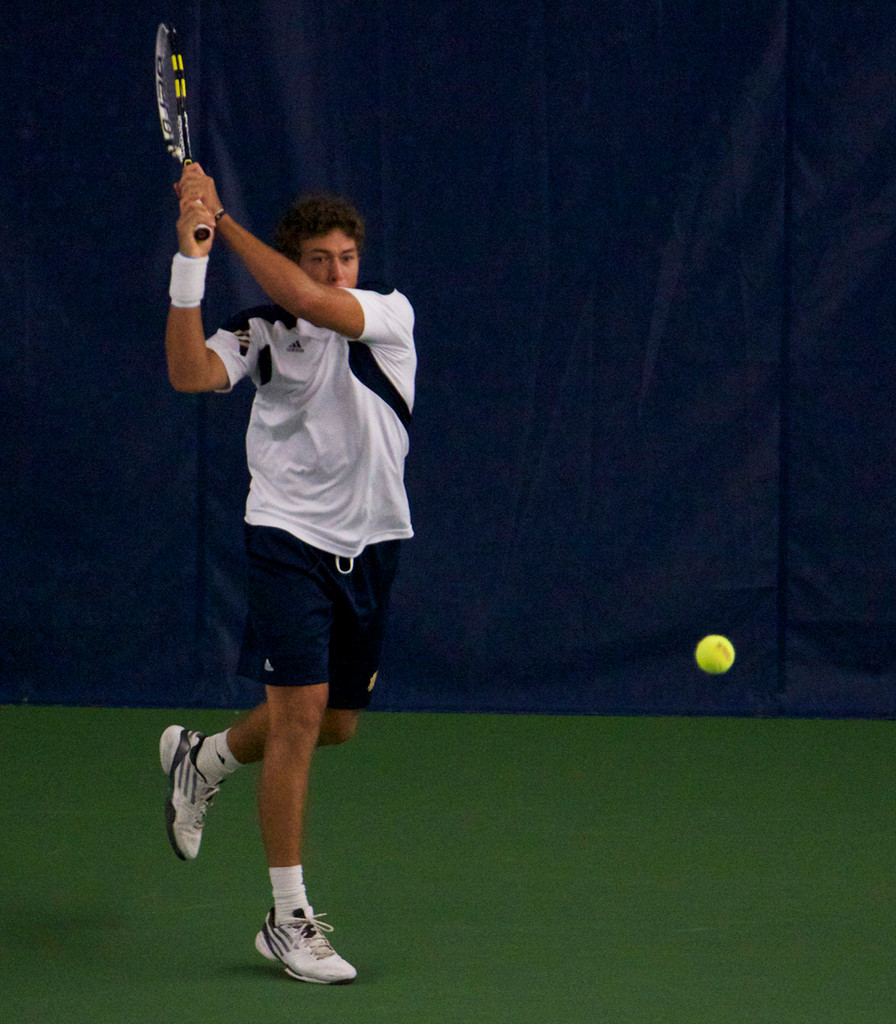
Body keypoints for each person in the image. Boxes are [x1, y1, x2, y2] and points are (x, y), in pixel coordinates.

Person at [159, 162, 416, 985]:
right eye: (318, 259)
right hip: (286, 535)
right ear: (292, 259)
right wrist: (193, 258)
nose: (336, 270)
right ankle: (286, 916)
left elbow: (314, 307)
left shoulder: (385, 315)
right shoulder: (262, 331)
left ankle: (206, 761)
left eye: (346, 256)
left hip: (374, 541)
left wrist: (219, 216)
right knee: (301, 715)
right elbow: (190, 374)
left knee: (335, 724)